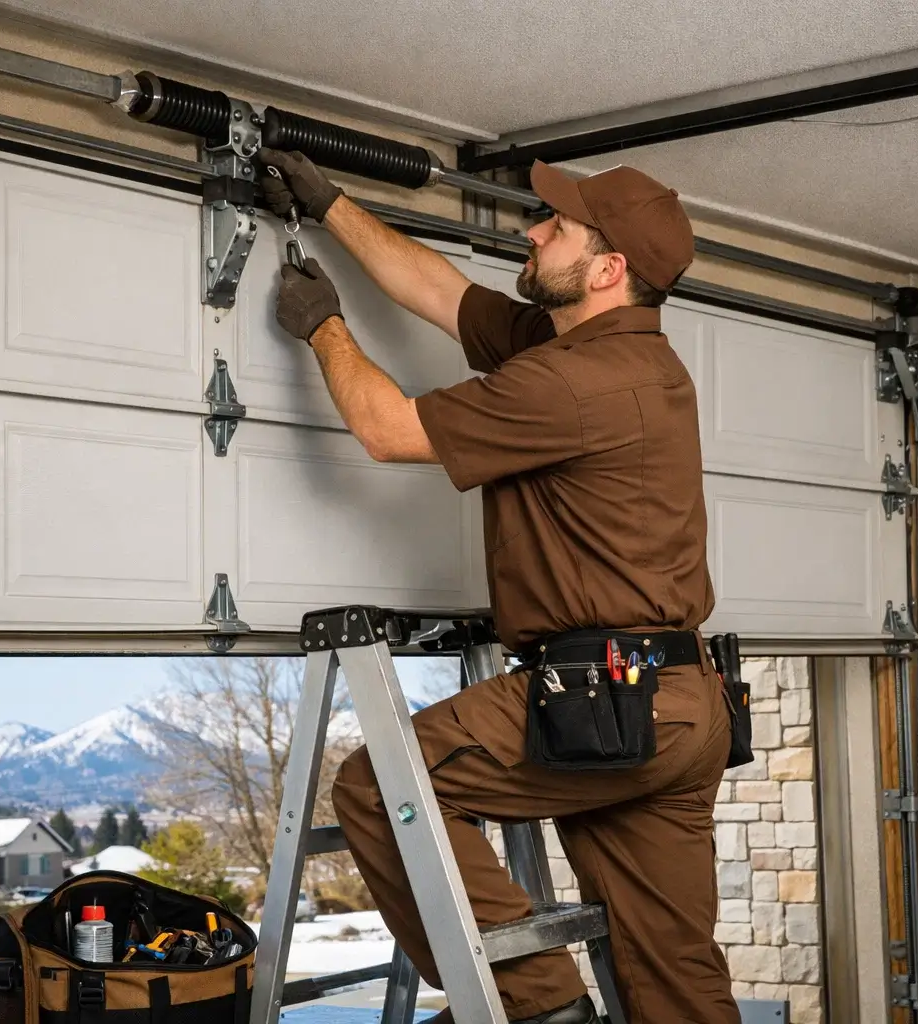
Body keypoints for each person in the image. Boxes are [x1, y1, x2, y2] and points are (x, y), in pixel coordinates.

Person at [259, 149, 740, 1024]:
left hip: (604, 697)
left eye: (556, 226)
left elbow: (386, 431)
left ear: (607, 268)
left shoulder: (574, 383)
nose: (533, 228)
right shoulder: (617, 355)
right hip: (680, 703)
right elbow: (441, 293)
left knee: (380, 787)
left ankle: (538, 1008)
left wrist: (325, 325)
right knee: (675, 976)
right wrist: (333, 205)